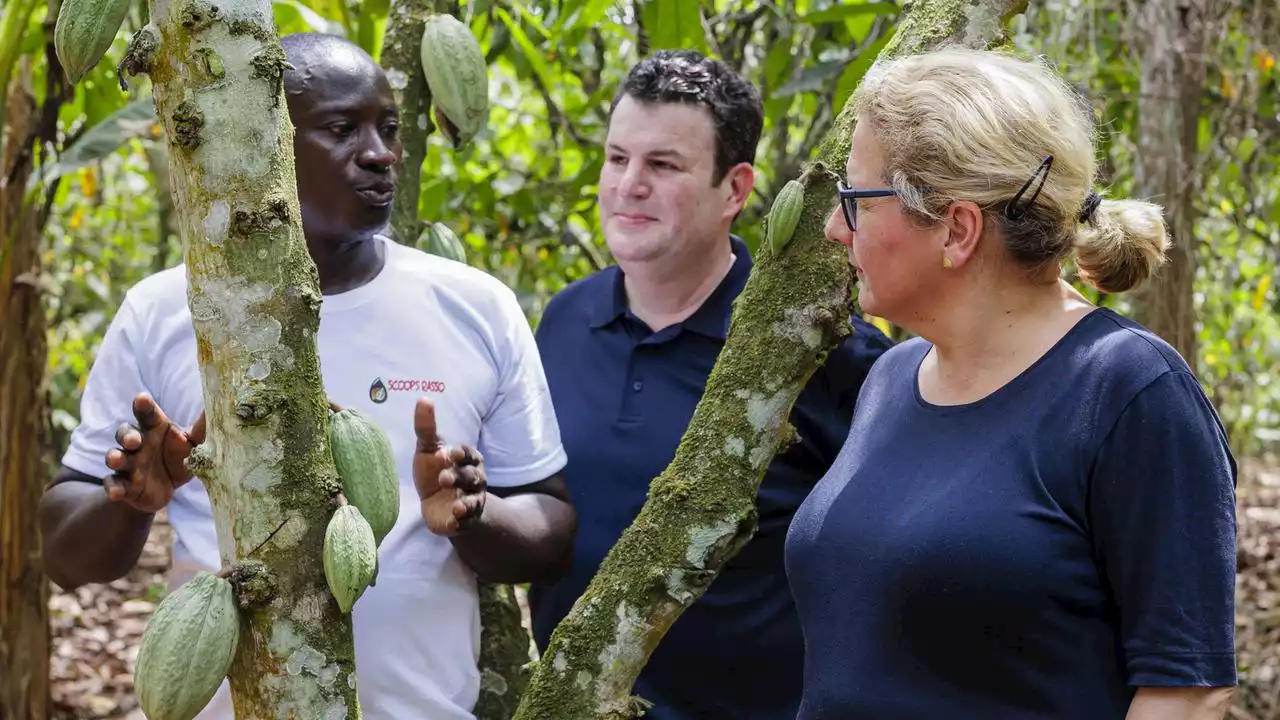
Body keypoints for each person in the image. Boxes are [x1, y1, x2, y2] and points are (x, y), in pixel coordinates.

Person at [38, 33, 575, 720]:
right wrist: (128, 505)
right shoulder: (166, 311)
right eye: (342, 129)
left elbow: (551, 528)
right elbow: (66, 558)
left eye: (388, 128)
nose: (381, 154)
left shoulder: (475, 307)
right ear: (264, 143)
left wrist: (474, 515)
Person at [784, 47, 1238, 719]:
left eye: (854, 200)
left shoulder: (1129, 391)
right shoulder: (889, 377)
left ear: (958, 230)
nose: (831, 229)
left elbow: (1188, 690)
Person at [527, 50, 893, 719]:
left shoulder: (812, 347)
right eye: (617, 158)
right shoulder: (565, 318)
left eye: (662, 165)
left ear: (736, 188)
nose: (629, 184)